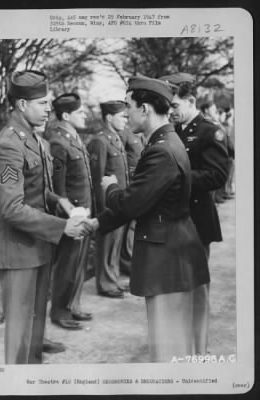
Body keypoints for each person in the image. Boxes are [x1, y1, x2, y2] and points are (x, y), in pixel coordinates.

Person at [89, 76, 210, 362]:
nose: (126, 113)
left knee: (169, 355)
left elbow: (132, 204)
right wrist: (98, 224)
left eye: (129, 106)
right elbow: (146, 201)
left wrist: (110, 189)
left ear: (144, 109)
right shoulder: (167, 141)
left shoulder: (161, 150)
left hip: (168, 260)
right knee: (174, 350)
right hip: (175, 256)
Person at [0, 70, 90, 364]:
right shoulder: (8, 145)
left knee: (35, 329)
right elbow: (12, 207)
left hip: (38, 245)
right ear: (21, 105)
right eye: (42, 103)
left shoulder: (35, 140)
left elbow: (39, 191)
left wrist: (62, 203)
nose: (47, 109)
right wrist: (62, 226)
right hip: (18, 251)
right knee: (19, 337)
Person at [160, 72, 229, 354]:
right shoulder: (174, 131)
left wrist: (178, 178)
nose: (171, 111)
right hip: (174, 221)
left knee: (197, 289)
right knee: (176, 286)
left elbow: (217, 175)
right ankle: (181, 344)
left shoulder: (208, 131)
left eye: (174, 105)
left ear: (190, 101)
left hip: (197, 221)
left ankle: (199, 350)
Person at [47, 93, 94, 330]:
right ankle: (60, 311)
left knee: (79, 262)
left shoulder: (74, 138)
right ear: (66, 115)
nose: (84, 115)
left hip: (83, 211)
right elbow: (59, 188)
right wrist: (72, 214)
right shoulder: (58, 142)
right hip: (71, 214)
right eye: (80, 112)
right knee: (67, 263)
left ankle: (72, 305)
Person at [87, 101, 129, 298]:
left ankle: (113, 279)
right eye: (122, 116)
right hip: (108, 205)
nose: (126, 120)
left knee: (116, 244)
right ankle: (105, 283)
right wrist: (103, 209)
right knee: (107, 244)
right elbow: (97, 178)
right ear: (109, 117)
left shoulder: (117, 139)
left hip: (118, 201)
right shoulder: (100, 141)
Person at [118, 128, 145, 276]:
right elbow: (120, 160)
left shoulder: (143, 135)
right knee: (127, 228)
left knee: (134, 226)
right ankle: (126, 262)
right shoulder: (124, 134)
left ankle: (131, 260)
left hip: (139, 185)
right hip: (128, 185)